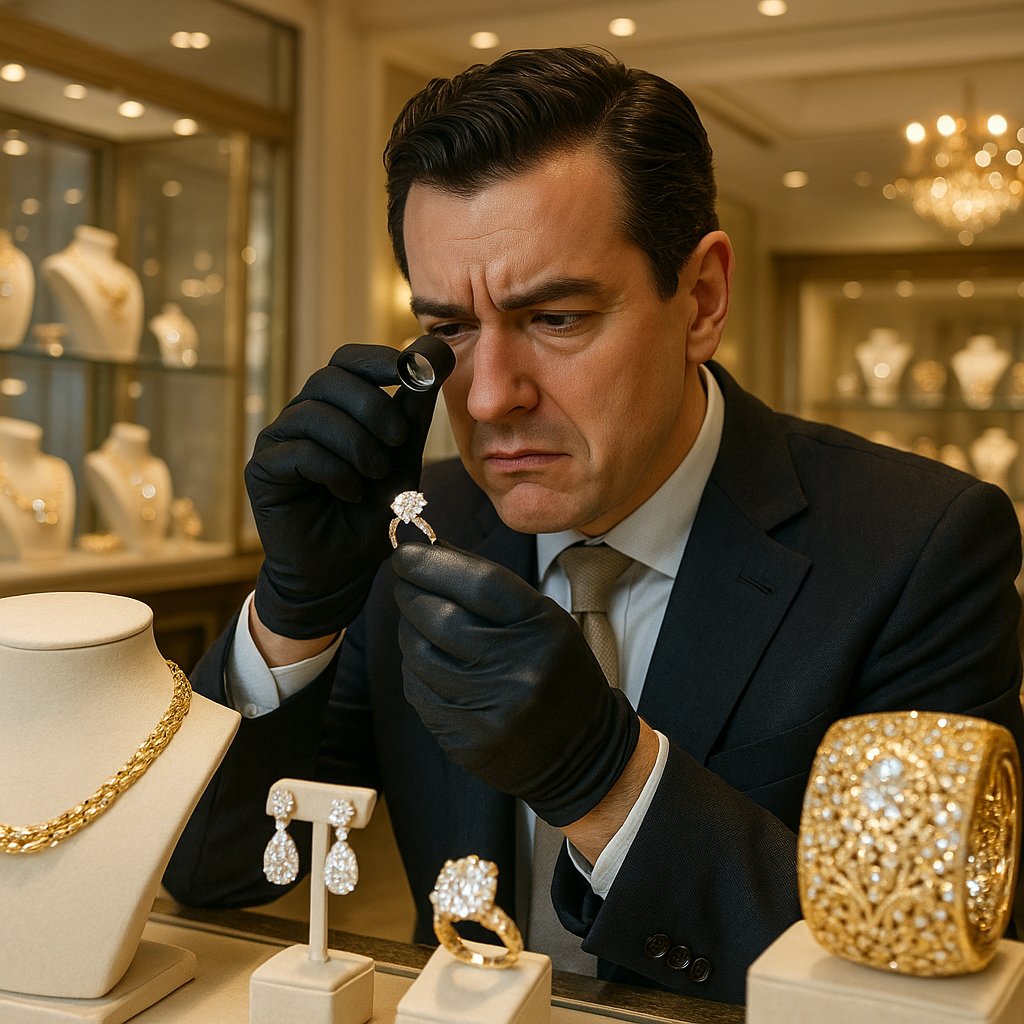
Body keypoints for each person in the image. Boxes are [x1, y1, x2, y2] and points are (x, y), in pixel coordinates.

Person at [164, 47, 1024, 1006]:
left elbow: (928, 974)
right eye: (448, 330)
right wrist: (290, 619)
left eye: (558, 318)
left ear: (700, 299)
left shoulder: (918, 546)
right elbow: (211, 878)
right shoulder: (416, 529)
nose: (489, 397)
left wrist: (610, 782)